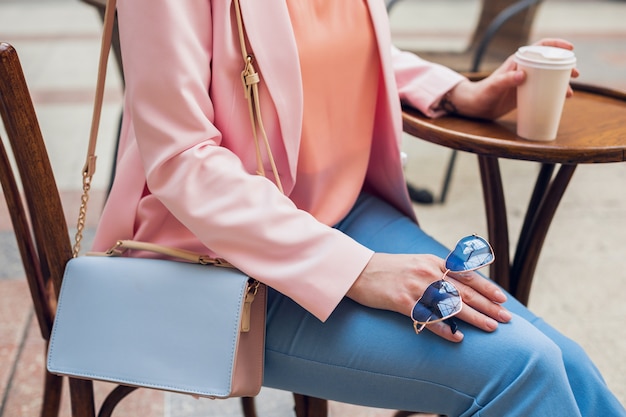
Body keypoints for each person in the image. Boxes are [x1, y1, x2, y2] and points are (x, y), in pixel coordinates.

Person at [92, 1, 625, 416]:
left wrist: (456, 90)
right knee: (522, 370)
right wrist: (356, 268)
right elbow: (182, 158)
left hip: (340, 215)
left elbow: (335, 43)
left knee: (568, 365)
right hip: (216, 261)